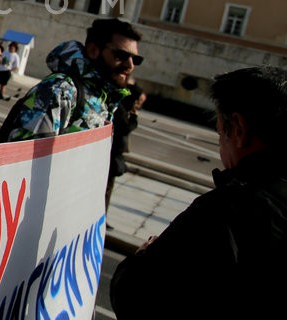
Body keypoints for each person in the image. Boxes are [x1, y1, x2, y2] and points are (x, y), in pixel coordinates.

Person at [109, 66, 287, 319]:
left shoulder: (226, 211)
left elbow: (135, 297)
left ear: (237, 129)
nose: (219, 145)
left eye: (219, 132)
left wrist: (144, 257)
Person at [0, 18, 141, 143]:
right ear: (93, 51)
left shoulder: (103, 98)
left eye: (136, 59)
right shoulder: (61, 89)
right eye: (120, 55)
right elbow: (27, 153)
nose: (130, 65)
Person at [106, 83, 144, 213]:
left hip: (114, 154)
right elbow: (125, 128)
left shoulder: (122, 109)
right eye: (137, 101)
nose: (138, 105)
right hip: (112, 154)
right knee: (107, 188)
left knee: (108, 188)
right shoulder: (121, 110)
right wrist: (134, 118)